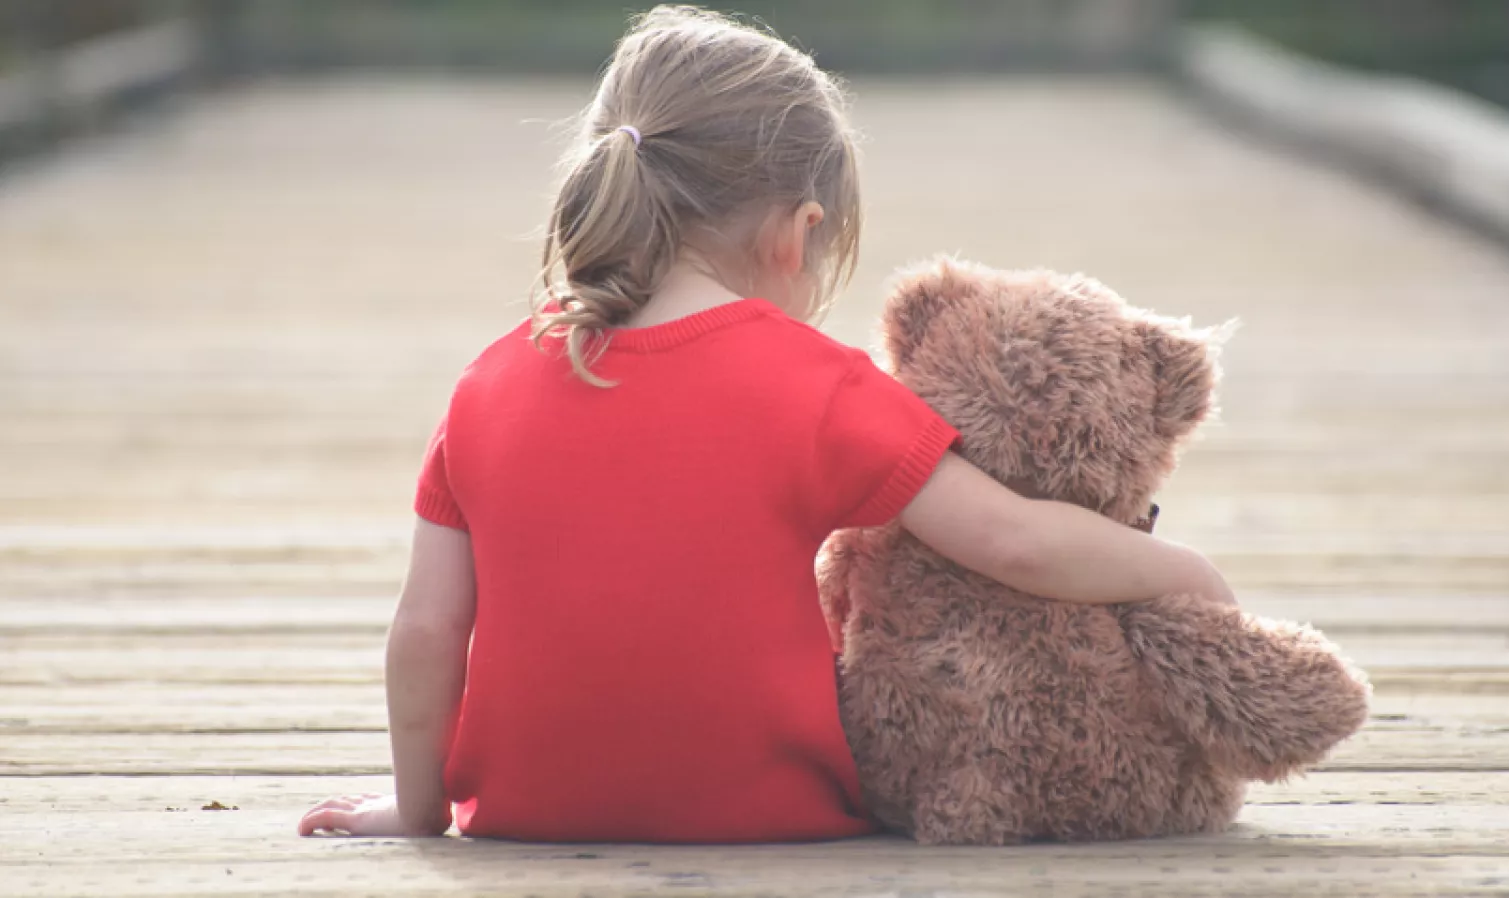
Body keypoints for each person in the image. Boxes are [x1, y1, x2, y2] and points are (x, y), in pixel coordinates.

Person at [298, 4, 1234, 844]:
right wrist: (1184, 573)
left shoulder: (484, 385)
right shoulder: (816, 383)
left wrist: (416, 813)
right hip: (771, 811)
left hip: (522, 812)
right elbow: (1013, 543)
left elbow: (425, 629)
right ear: (796, 232)